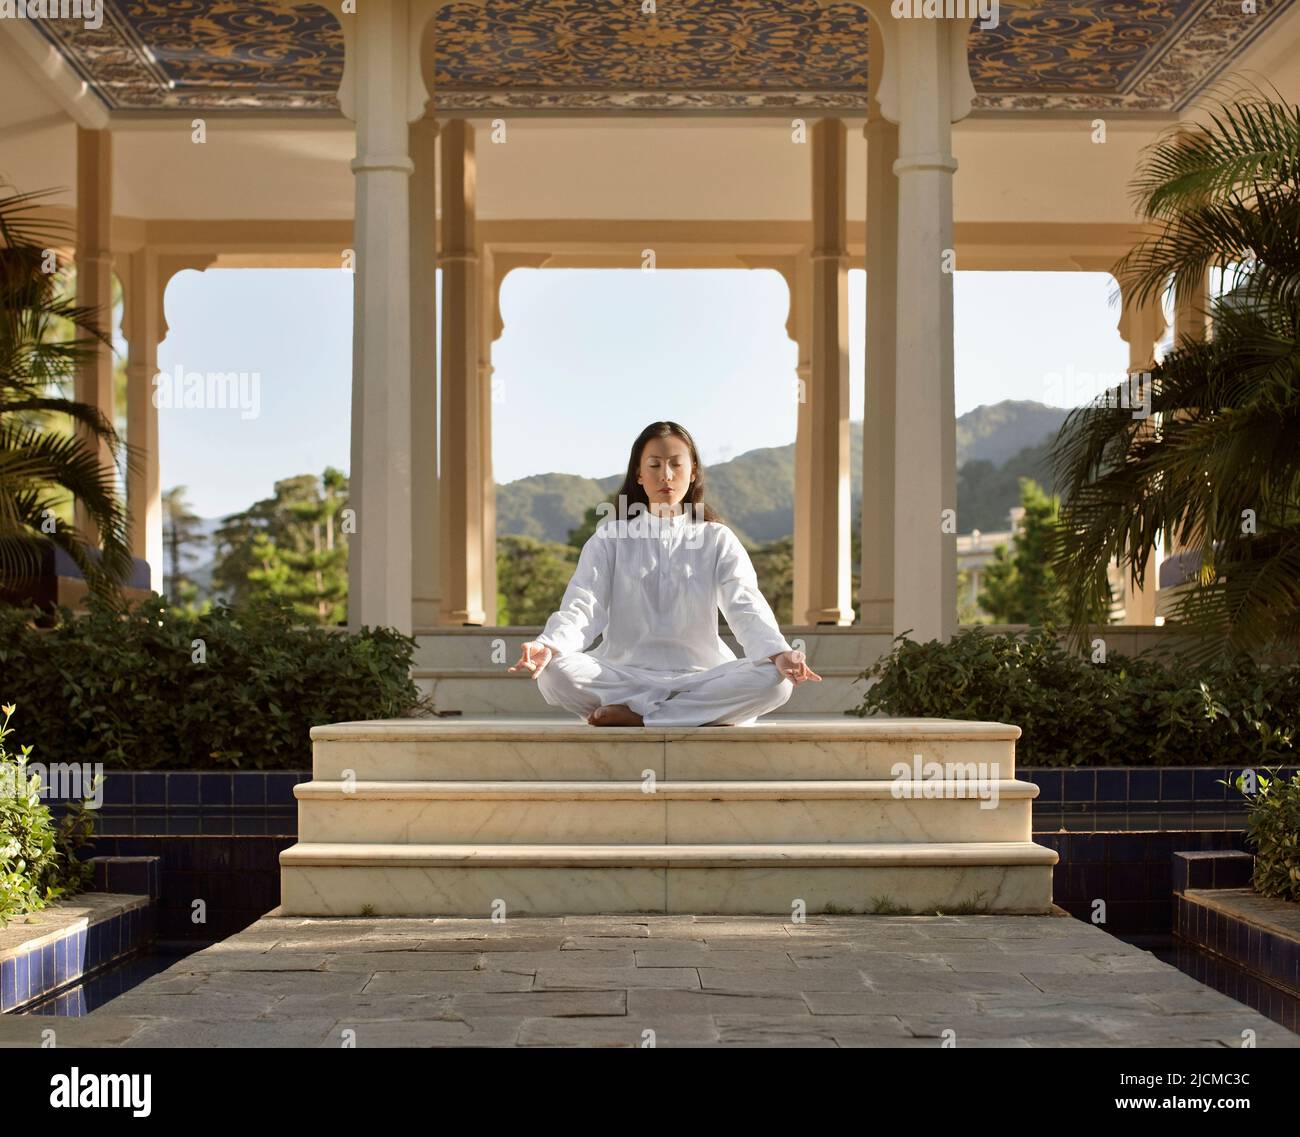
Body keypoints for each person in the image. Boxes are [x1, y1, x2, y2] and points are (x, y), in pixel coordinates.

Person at [508, 421, 822, 727]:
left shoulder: (717, 538)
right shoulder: (609, 538)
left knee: (775, 681)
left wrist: (778, 651)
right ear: (639, 475)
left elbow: (745, 605)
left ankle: (641, 716)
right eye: (655, 465)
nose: (666, 476)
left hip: (702, 676)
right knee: (554, 673)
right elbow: (583, 605)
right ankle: (685, 715)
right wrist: (549, 645)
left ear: (694, 471)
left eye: (676, 464)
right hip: (623, 674)